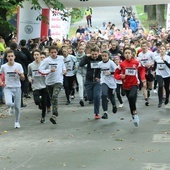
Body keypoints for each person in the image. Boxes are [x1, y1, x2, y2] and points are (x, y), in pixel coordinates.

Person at [114, 47, 145, 127]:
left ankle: (134, 113)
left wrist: (143, 78)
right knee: (131, 100)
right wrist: (121, 76)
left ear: (132, 54)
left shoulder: (136, 62)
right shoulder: (121, 64)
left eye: (129, 53)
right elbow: (116, 74)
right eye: (126, 53)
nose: (127, 55)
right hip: (125, 85)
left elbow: (142, 70)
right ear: (124, 54)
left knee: (131, 97)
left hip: (134, 84)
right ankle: (134, 114)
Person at [38, 46, 66, 124]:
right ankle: (54, 113)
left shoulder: (60, 58)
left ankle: (54, 114)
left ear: (57, 52)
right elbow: (40, 71)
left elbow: (62, 66)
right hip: (49, 83)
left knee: (55, 96)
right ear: (49, 53)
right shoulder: (46, 60)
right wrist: (49, 70)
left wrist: (64, 71)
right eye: (52, 52)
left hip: (58, 81)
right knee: (52, 99)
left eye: (55, 52)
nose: (53, 54)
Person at [0, 49, 25, 128]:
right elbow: (0, 74)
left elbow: (23, 78)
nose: (10, 58)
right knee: (8, 103)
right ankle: (11, 107)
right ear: (6, 58)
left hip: (17, 87)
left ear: (14, 57)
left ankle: (17, 122)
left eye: (12, 56)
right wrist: (1, 82)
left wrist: (19, 73)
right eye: (9, 56)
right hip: (8, 88)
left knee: (18, 107)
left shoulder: (18, 65)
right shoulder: (3, 66)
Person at [79, 46, 102, 119]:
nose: (94, 56)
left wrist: (99, 77)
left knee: (97, 96)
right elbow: (81, 64)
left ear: (98, 53)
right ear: (90, 54)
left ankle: (96, 113)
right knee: (90, 98)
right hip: (88, 81)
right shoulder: (88, 58)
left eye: (96, 54)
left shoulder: (101, 58)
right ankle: (89, 97)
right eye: (93, 54)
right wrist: (85, 56)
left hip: (97, 81)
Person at [27, 49, 48, 123]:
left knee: (45, 102)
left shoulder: (44, 64)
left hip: (44, 85)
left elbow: (48, 72)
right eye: (34, 55)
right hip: (35, 85)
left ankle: (43, 117)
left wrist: (46, 75)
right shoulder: (30, 65)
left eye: (37, 55)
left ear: (40, 56)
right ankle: (39, 103)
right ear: (33, 56)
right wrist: (30, 79)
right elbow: (29, 74)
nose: (36, 56)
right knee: (36, 101)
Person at [98, 50, 117, 119]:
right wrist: (97, 77)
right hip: (104, 81)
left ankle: (114, 105)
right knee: (104, 95)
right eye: (102, 56)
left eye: (105, 56)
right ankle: (105, 112)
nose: (104, 57)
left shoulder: (111, 63)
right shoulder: (100, 64)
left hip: (111, 82)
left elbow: (117, 71)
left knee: (111, 96)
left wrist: (111, 73)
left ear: (108, 56)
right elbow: (97, 71)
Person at [137, 41, 155, 106]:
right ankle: (146, 99)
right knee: (144, 85)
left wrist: (150, 64)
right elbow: (139, 62)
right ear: (141, 47)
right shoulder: (139, 54)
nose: (144, 47)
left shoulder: (151, 53)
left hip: (149, 69)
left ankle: (149, 90)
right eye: (142, 46)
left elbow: (154, 62)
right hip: (142, 69)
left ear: (147, 47)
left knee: (150, 85)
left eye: (145, 46)